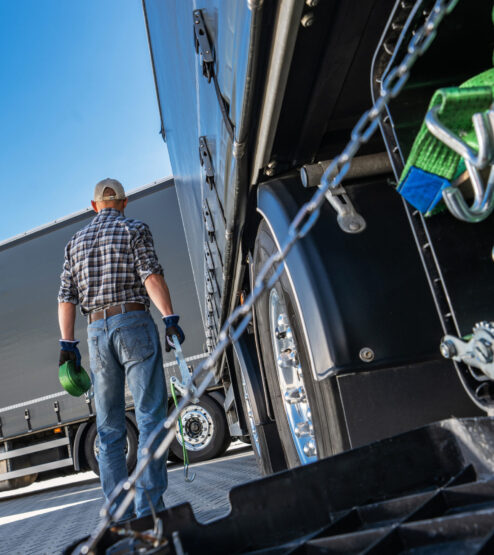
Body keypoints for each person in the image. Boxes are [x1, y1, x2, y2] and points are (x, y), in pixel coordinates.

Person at [57, 178, 185, 521]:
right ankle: (149, 511)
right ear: (124, 203)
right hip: (134, 323)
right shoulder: (135, 228)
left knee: (109, 429)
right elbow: (150, 276)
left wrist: (67, 345)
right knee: (149, 419)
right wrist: (170, 318)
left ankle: (121, 517)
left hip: (96, 331)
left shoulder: (75, 242)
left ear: (94, 206)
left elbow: (66, 297)